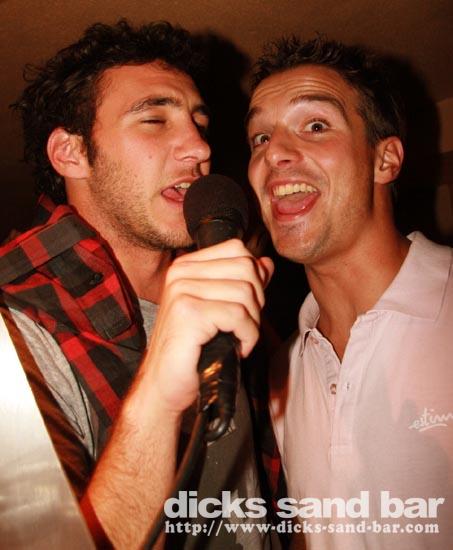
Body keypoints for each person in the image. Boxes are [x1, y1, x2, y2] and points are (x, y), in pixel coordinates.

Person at [0, 20, 276, 548]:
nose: (198, 147)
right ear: (71, 153)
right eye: (153, 119)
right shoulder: (15, 330)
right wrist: (157, 399)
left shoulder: (228, 294)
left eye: (199, 122)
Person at [246, 36, 453, 549]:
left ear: (385, 160)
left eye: (316, 125)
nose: (274, 153)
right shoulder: (282, 370)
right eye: (260, 137)